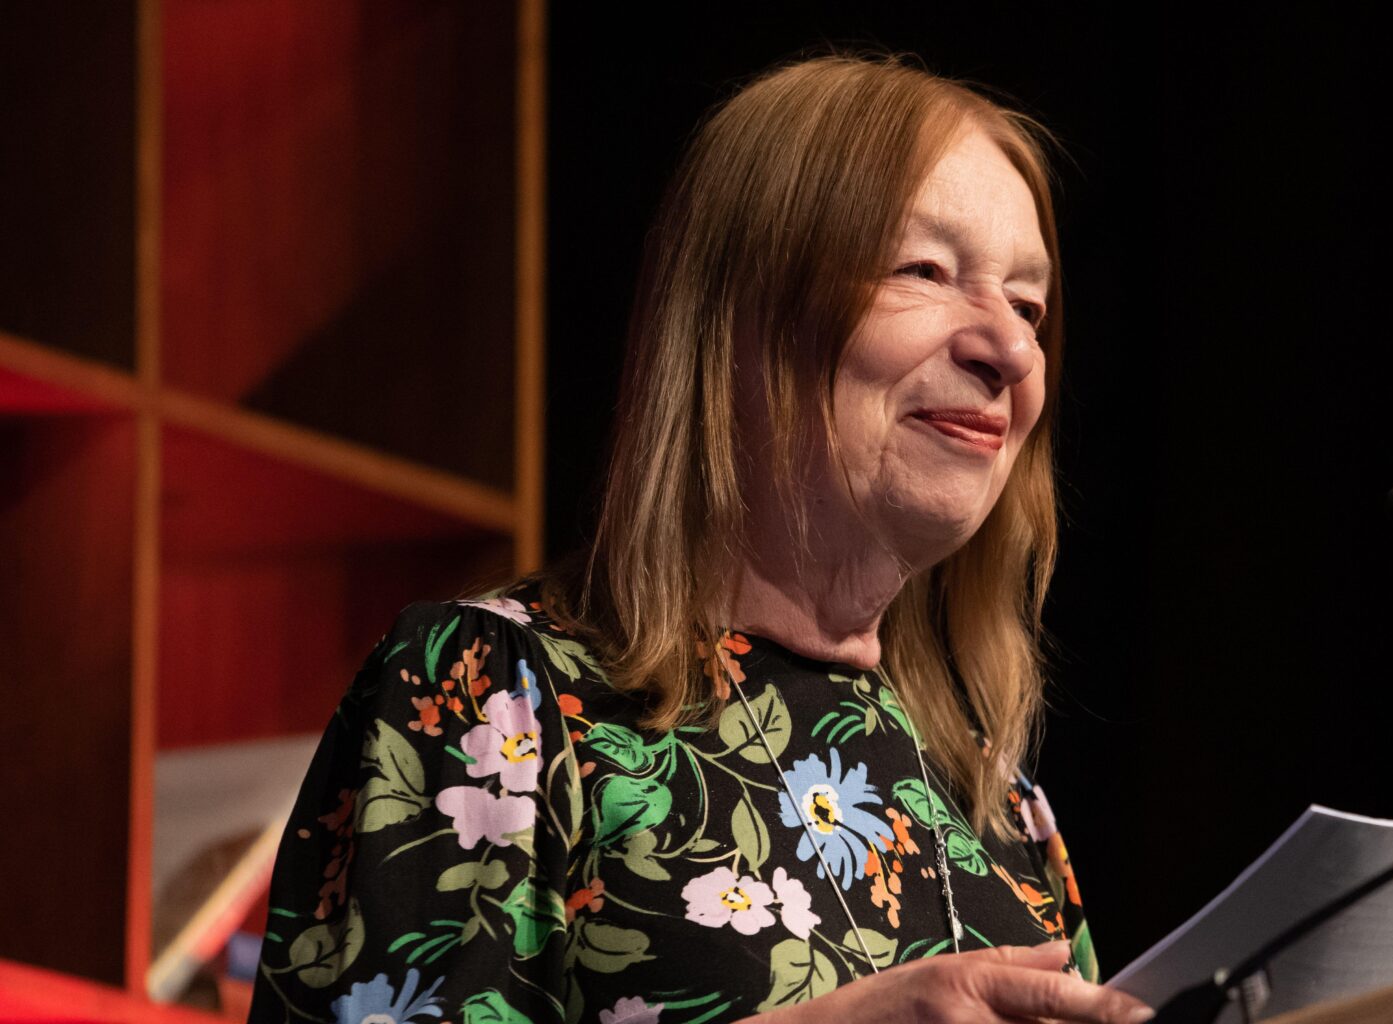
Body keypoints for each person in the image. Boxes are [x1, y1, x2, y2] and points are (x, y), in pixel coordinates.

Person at [247, 53, 1151, 1024]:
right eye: (926, 269)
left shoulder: (995, 802)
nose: (1012, 350)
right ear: (740, 316)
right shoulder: (497, 689)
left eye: (1029, 305)